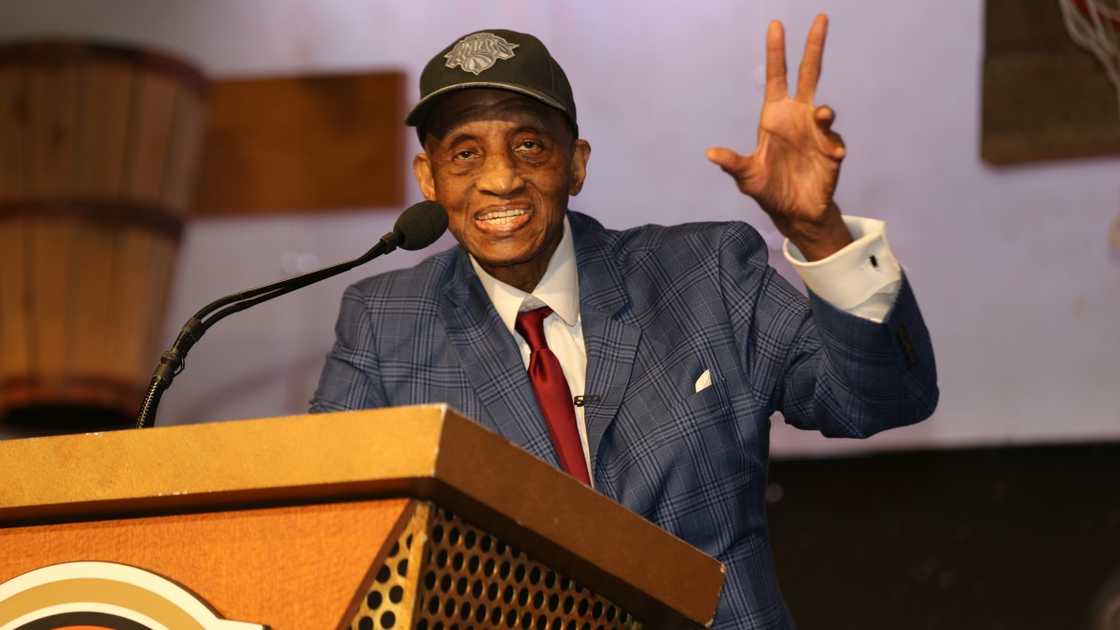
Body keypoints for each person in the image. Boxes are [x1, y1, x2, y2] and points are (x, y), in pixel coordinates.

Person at [312, 16, 938, 629]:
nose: (500, 179)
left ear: (575, 164)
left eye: (529, 146)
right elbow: (329, 536)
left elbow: (878, 399)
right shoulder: (383, 324)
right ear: (429, 179)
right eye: (465, 155)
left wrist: (819, 235)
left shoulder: (704, 273)